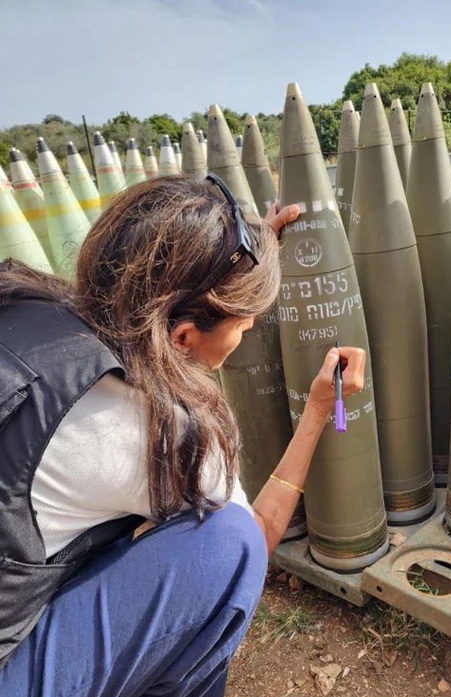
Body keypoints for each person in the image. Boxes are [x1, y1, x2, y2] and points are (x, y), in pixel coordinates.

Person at [0, 174, 367, 696]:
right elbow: (254, 540)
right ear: (183, 336)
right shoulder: (156, 432)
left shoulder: (26, 303)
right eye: (244, 325)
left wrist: (250, 250)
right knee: (225, 547)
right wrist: (318, 412)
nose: (246, 336)